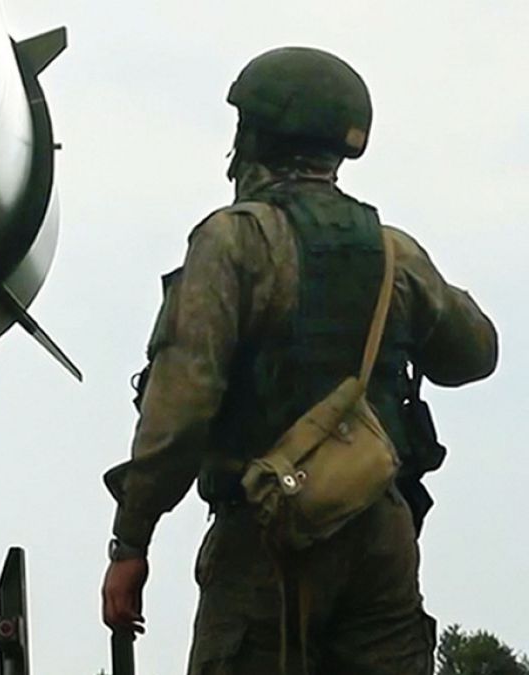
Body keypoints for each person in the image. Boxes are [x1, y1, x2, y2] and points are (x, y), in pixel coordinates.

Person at [100, 47, 498, 674]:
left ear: (254, 137)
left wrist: (131, 541)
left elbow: (181, 407)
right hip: (379, 536)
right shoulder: (394, 253)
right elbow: (475, 354)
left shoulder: (234, 242)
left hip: (267, 539)